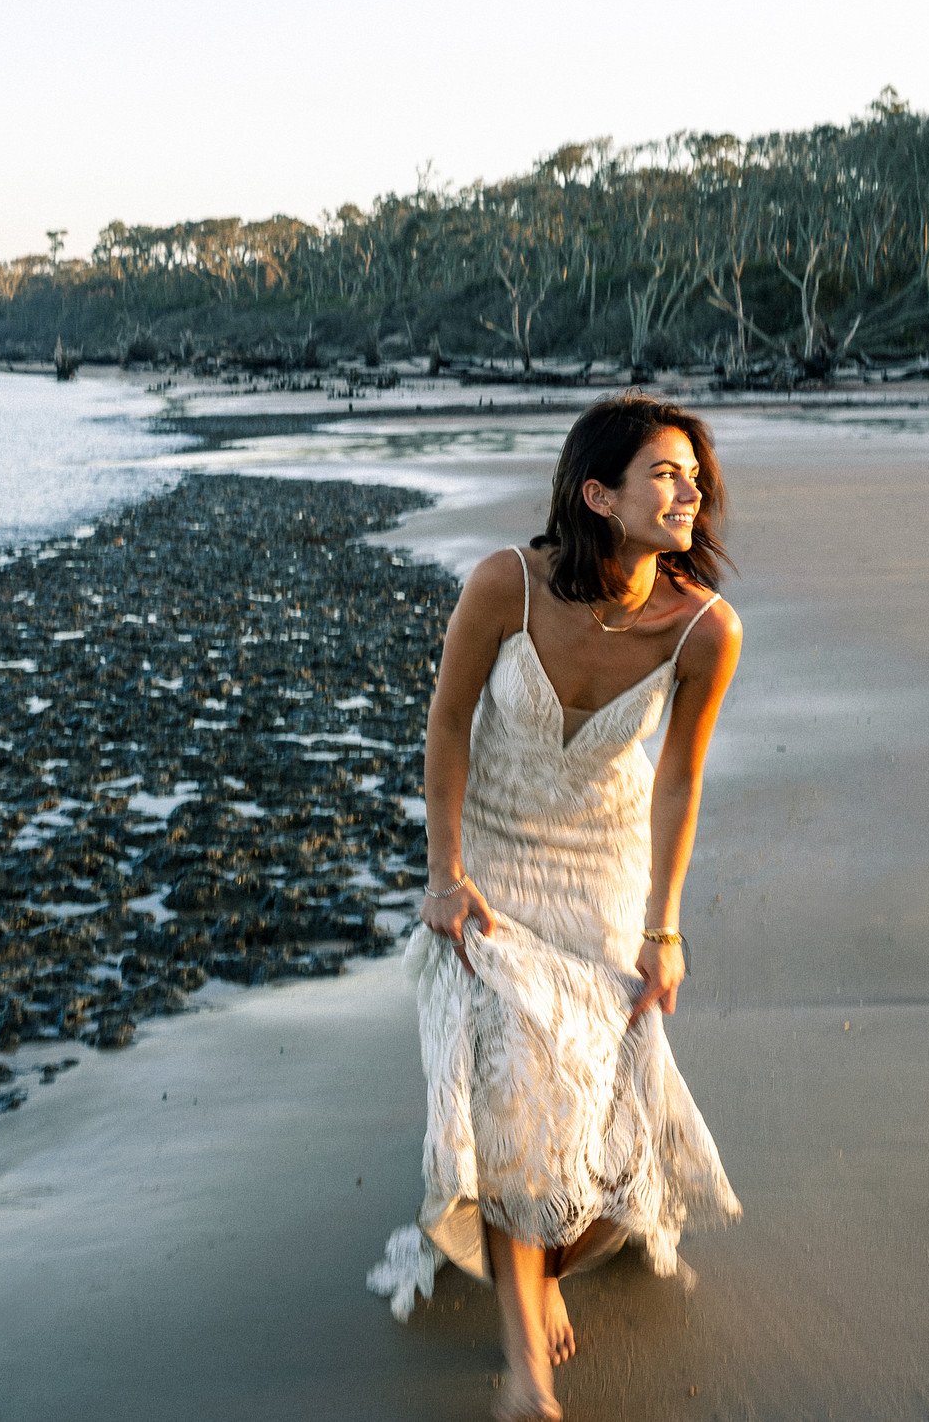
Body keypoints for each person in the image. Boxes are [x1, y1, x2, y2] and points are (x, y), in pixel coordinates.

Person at [368, 391, 743, 1420]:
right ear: (596, 492)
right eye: (664, 473)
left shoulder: (706, 629)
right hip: (491, 854)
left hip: (602, 871)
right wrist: (444, 872)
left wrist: (664, 928)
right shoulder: (506, 584)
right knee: (506, 1066)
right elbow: (448, 724)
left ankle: (535, 1264)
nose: (689, 490)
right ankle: (525, 1356)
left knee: (577, 1107)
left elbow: (677, 783)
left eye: (693, 476)